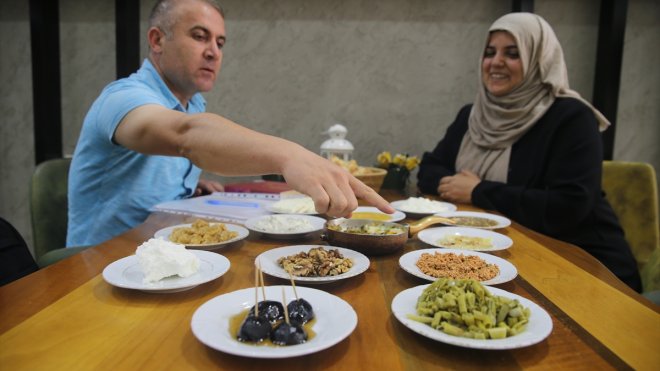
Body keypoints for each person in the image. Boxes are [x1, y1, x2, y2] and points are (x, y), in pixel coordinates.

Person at [67, 0, 393, 247]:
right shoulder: (121, 98)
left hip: (165, 253)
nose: (213, 52)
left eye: (220, 43)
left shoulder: (192, 103)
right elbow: (186, 136)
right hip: (102, 264)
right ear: (156, 40)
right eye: (199, 37)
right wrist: (289, 155)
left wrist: (187, 188)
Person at [416, 13, 642, 292]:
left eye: (513, 54)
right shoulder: (472, 115)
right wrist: (455, 185)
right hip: (496, 259)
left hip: (584, 267)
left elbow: (569, 206)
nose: (496, 62)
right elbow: (429, 169)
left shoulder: (572, 118)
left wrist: (478, 191)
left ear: (539, 60)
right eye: (490, 52)